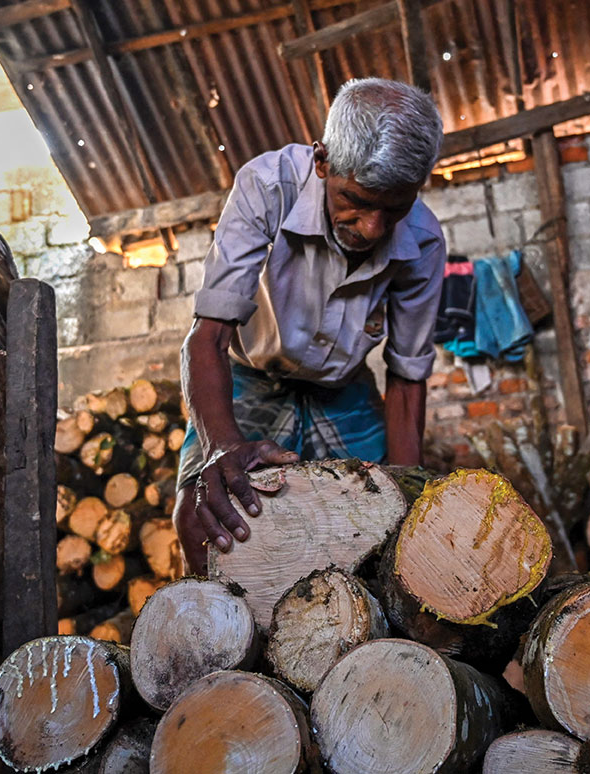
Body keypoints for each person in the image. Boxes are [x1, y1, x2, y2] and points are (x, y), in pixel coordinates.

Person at [174, 78, 446, 573]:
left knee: (387, 526)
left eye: (395, 209)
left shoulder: (424, 242)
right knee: (201, 519)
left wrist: (409, 493)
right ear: (322, 160)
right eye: (355, 199)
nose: (372, 228)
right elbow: (207, 338)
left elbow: (408, 377)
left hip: (343, 388)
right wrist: (223, 448)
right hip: (251, 375)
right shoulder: (267, 186)